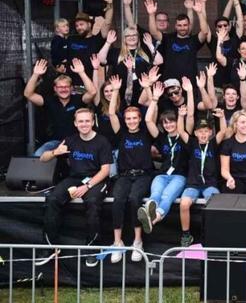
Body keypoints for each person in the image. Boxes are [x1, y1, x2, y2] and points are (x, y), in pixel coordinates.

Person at [36, 108, 112, 267]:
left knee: (92, 203)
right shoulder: (70, 140)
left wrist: (87, 186)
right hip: (74, 178)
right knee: (53, 199)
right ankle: (51, 247)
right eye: (80, 121)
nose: (84, 124)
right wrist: (55, 152)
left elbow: (105, 170)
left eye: (87, 121)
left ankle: (92, 249)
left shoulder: (102, 141)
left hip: (96, 179)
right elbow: (42, 159)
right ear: (75, 123)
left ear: (92, 122)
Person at [107, 75, 154, 263]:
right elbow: (112, 113)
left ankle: (137, 241)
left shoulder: (146, 132)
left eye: (135, 118)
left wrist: (148, 89)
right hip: (125, 175)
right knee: (118, 200)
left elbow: (152, 113)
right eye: (128, 118)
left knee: (135, 199)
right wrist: (115, 91)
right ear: (125, 120)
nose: (132, 121)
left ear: (139, 119)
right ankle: (117, 242)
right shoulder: (121, 133)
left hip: (143, 175)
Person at [137, 82, 189, 234]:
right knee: (155, 195)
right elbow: (148, 121)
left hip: (179, 176)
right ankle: (149, 214)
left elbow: (189, 118)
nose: (168, 125)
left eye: (171, 121)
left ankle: (153, 220)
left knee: (167, 196)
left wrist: (182, 115)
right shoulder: (161, 138)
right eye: (165, 123)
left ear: (177, 122)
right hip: (162, 175)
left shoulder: (185, 137)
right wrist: (154, 99)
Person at [24, 58, 97, 156]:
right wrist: (35, 74)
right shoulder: (49, 100)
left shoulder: (78, 99)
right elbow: (28, 94)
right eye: (60, 87)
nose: (63, 89)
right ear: (55, 89)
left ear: (71, 88)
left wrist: (81, 72)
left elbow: (92, 92)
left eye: (66, 87)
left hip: (78, 141)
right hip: (54, 142)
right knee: (38, 155)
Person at [177, 110, 223, 247]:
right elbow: (181, 131)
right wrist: (181, 116)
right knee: (184, 204)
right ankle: (186, 235)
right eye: (200, 131)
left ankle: (213, 234)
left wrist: (221, 118)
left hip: (210, 184)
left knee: (215, 205)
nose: (203, 134)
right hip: (193, 184)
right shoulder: (192, 143)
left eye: (206, 131)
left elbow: (223, 131)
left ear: (210, 133)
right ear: (196, 133)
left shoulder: (213, 144)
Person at [145, 0, 210, 80]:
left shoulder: (194, 40)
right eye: (179, 25)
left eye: (185, 25)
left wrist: (199, 13)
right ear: (175, 26)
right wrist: (151, 14)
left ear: (189, 25)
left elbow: (205, 31)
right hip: (170, 82)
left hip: (190, 83)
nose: (182, 27)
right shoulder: (168, 39)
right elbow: (154, 32)